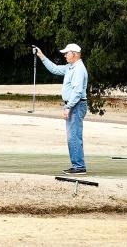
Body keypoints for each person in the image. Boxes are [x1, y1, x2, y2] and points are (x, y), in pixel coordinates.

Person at [34, 43, 89, 174]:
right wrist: (41, 55)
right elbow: (55, 69)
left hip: (76, 105)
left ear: (74, 54)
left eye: (67, 53)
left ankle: (79, 166)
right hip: (74, 105)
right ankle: (77, 165)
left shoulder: (79, 69)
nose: (64, 55)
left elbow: (77, 91)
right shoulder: (71, 67)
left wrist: (68, 107)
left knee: (74, 137)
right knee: (73, 136)